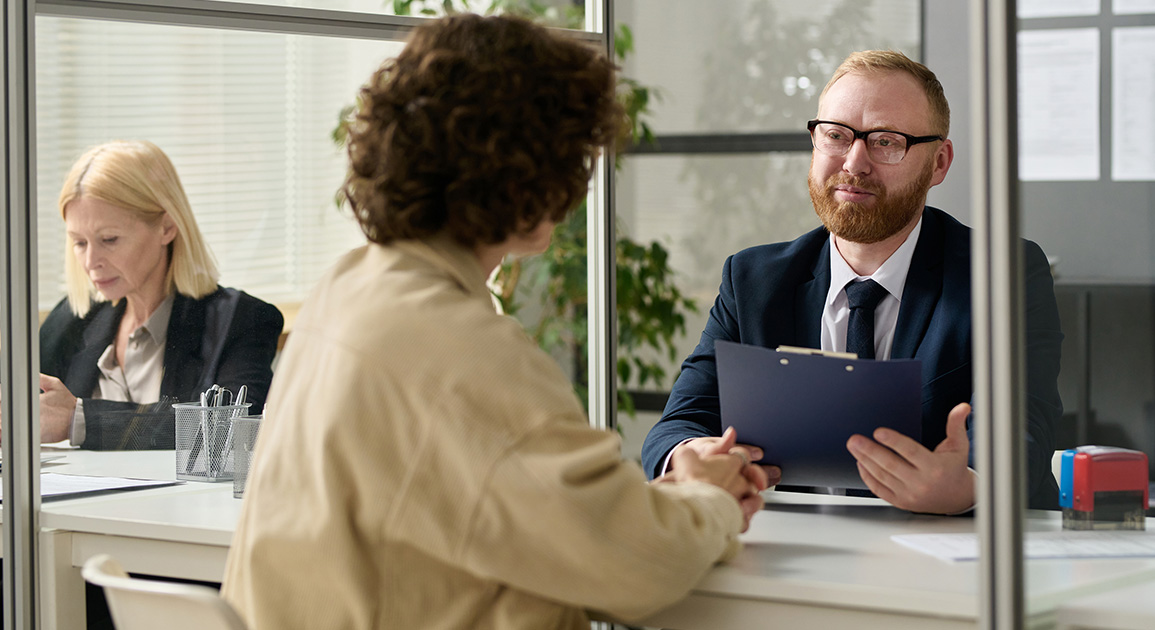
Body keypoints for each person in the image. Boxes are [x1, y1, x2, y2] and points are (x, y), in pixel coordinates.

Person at [222, 14, 766, 630]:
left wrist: (674, 499)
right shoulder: (456, 345)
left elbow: (540, 520)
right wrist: (712, 499)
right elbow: (636, 570)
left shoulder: (347, 288)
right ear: (531, 172)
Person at [641, 50, 1064, 514]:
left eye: (886, 141)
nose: (855, 163)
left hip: (955, 560)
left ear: (939, 163)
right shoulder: (753, 280)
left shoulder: (1001, 273)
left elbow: (1023, 428)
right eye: (836, 136)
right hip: (796, 554)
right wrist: (688, 457)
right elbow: (681, 422)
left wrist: (969, 487)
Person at [37, 140, 284, 450]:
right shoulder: (72, 319)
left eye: (109, 239)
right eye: (79, 242)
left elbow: (222, 433)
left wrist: (82, 419)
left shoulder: (243, 320)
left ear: (167, 227)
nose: (90, 263)